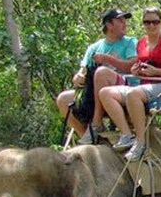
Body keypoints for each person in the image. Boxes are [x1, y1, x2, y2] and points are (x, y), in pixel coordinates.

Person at [100, 7, 161, 161]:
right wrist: (135, 71)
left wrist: (156, 71)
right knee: (105, 93)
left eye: (155, 22)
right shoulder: (140, 43)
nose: (151, 26)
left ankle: (141, 142)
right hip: (145, 86)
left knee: (134, 94)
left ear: (160, 22)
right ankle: (126, 134)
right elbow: (140, 66)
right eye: (147, 22)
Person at [55, 8, 137, 145]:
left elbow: (132, 66)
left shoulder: (130, 42)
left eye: (125, 21)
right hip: (94, 93)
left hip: (123, 88)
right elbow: (83, 70)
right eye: (120, 21)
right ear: (109, 25)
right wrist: (78, 77)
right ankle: (89, 138)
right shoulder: (94, 47)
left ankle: (96, 123)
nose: (125, 24)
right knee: (63, 99)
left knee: (101, 72)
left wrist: (108, 59)